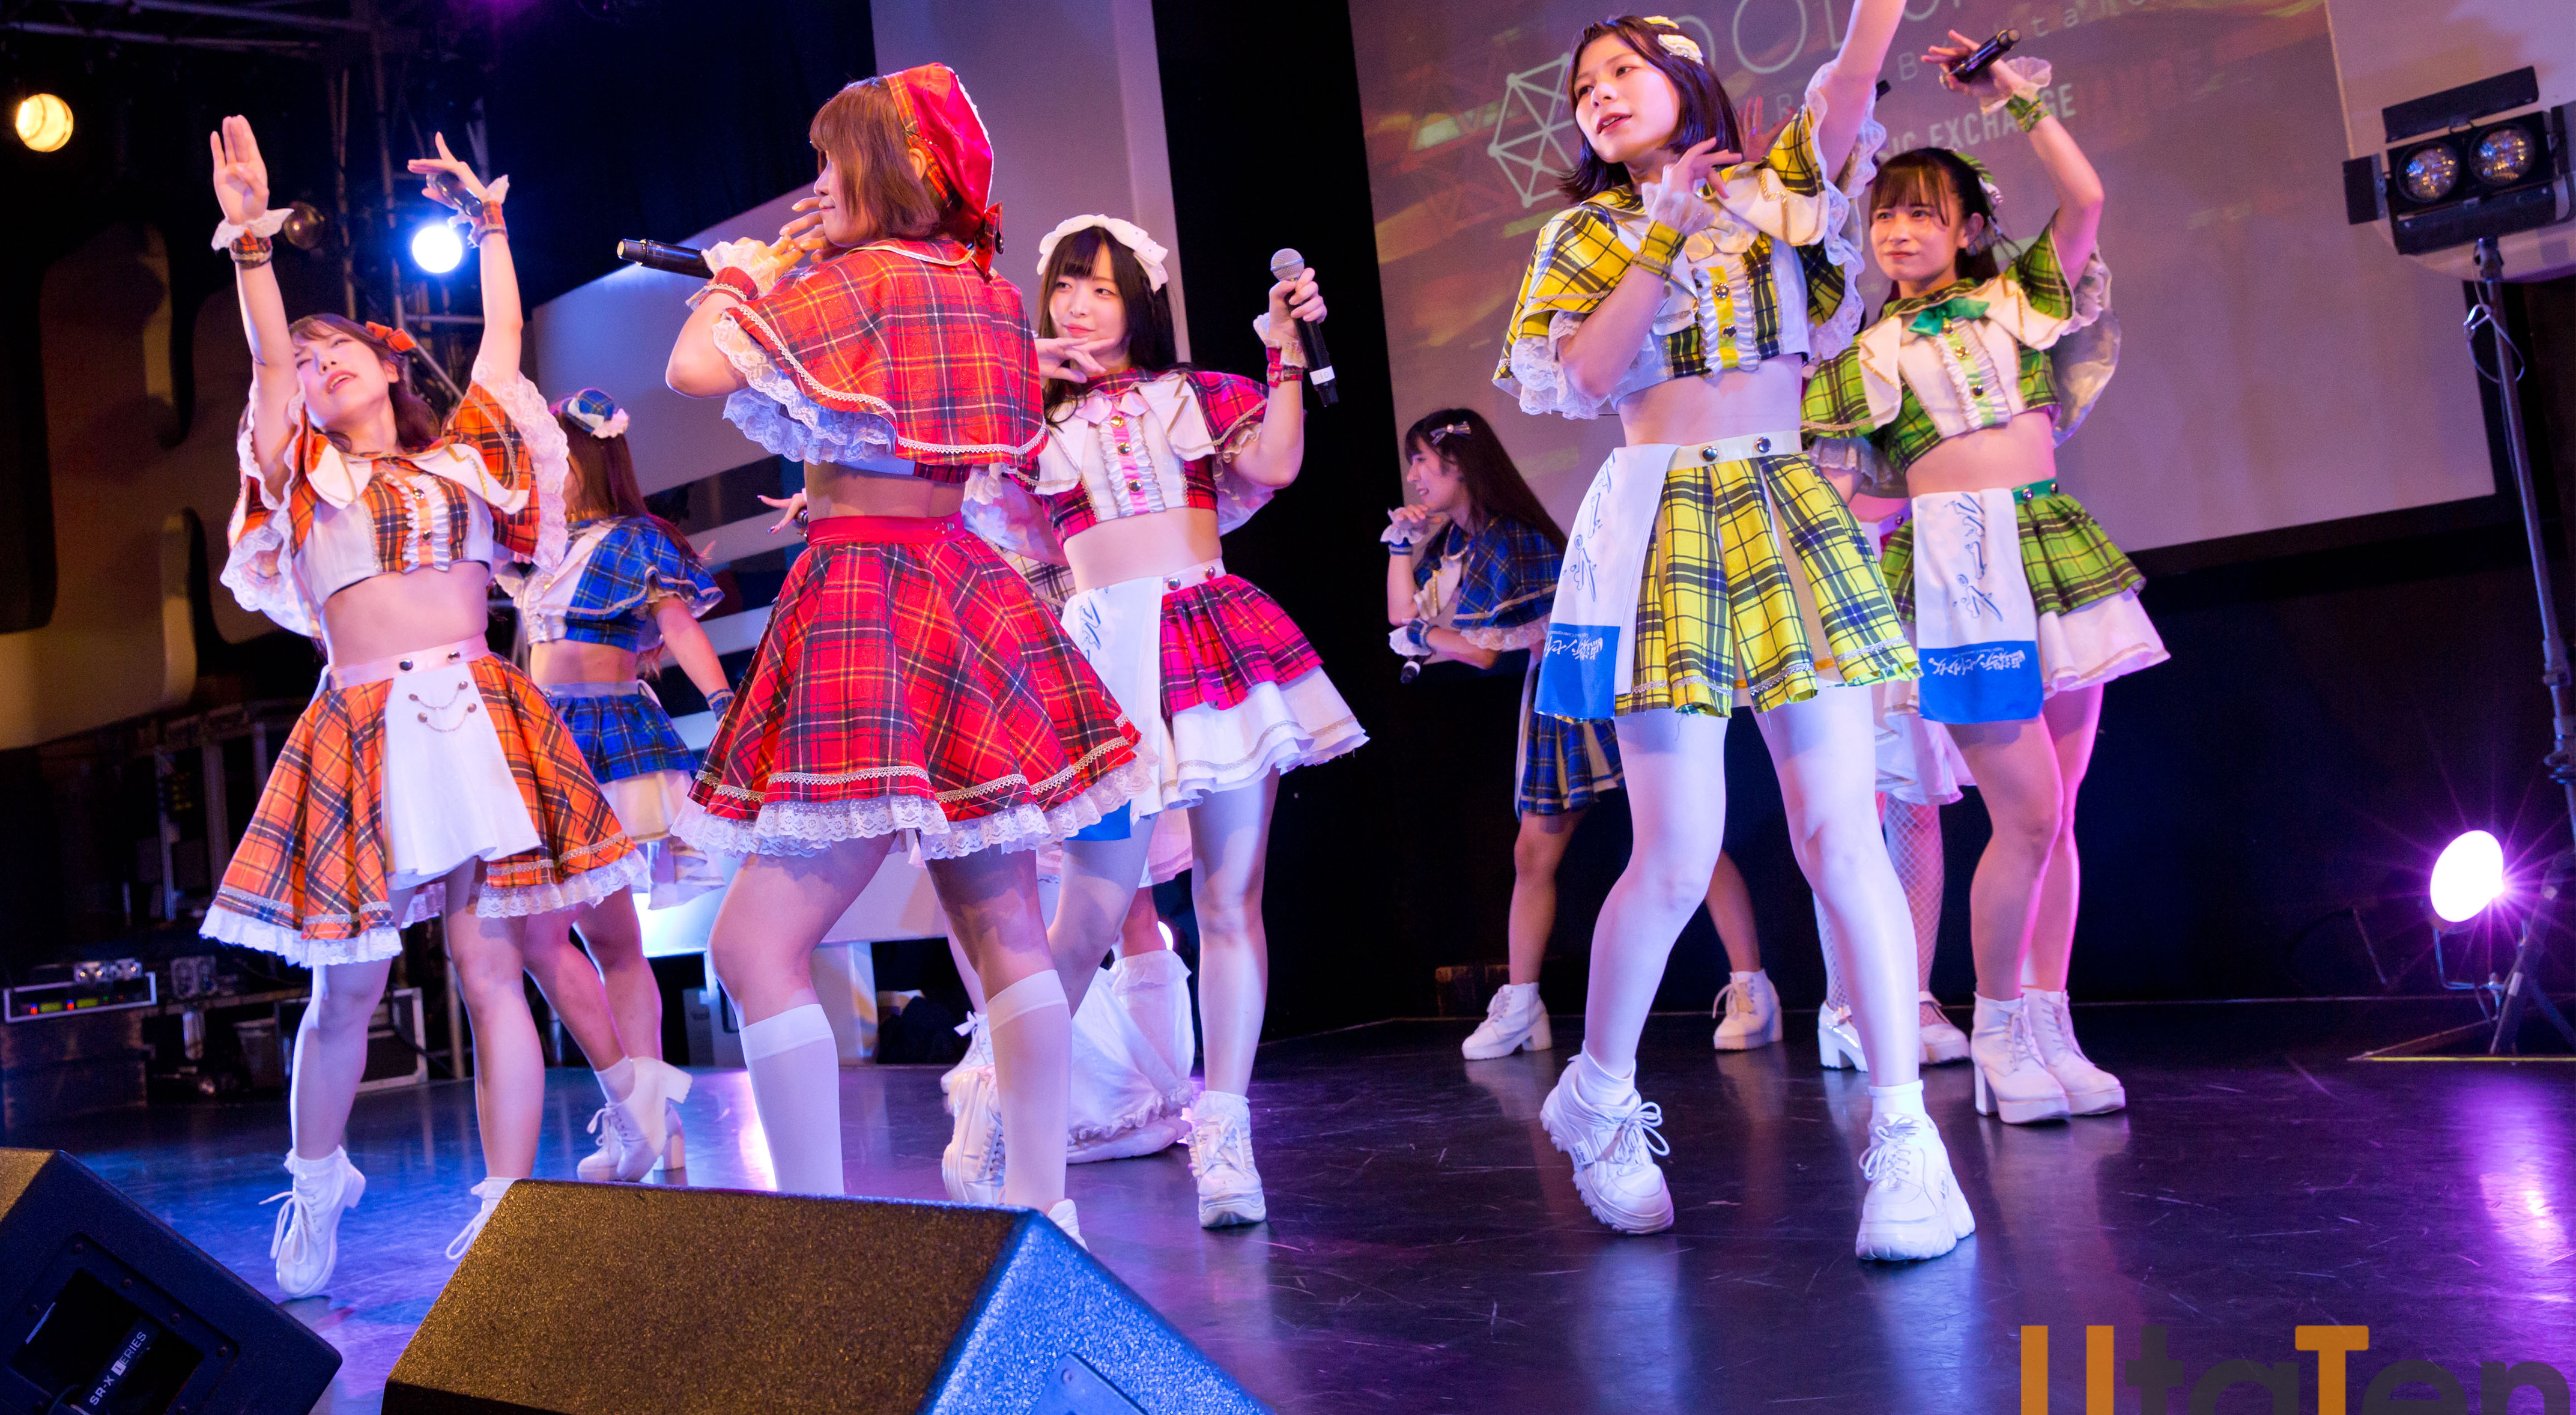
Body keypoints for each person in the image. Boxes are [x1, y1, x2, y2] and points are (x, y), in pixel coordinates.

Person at [1493, 0, 1979, 1261]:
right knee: (1676, 845)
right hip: (1659, 523)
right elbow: (1586, 379)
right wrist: (1654, 231)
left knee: (1844, 834)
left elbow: (1855, 69)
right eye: (1582, 87)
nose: (1598, 94)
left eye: (1622, 70)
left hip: (1782, 503)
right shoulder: (1584, 236)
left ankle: (1905, 1139)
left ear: (1685, 79)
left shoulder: (1782, 195)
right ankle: (1599, 1091)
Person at [663, 65, 1141, 1240]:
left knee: (752, 946)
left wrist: (738, 276)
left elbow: (693, 368)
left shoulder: (855, 281)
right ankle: (1046, 1208)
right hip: (964, 592)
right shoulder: (982, 290)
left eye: (831, 161)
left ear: (889, 166)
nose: (817, 184)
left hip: (863, 601)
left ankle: (816, 1236)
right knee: (1006, 930)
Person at [200, 118, 637, 1288]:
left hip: (476, 713)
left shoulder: (465, 461)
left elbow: (502, 337)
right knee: (347, 986)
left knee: (492, 965)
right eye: (307, 360)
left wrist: (490, 226)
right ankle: (316, 1179)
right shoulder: (302, 468)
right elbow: (265, 365)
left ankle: (507, 1205)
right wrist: (252, 242)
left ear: (391, 364)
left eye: (337, 347)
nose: (317, 363)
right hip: (362, 726)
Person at [957, 214, 1364, 1230]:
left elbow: (1275, 464)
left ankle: (1223, 1130)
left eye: (1099, 287)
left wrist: (1282, 350)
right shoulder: (1023, 419)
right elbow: (975, 485)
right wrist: (1016, 369)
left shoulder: (1194, 393)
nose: (1077, 305)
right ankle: (1001, 1094)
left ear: (1138, 300)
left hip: (1208, 631)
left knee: (1229, 898)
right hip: (1103, 656)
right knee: (1085, 916)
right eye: (1064, 287)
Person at [1804, 32, 2163, 1121]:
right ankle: (1999, 1027)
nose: (1898, 230)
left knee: (2057, 818)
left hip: (2047, 546)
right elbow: (1835, 493)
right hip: (1954, 569)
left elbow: (2085, 195)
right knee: (2025, 813)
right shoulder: (1864, 355)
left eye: (1922, 212)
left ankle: (2049, 1024)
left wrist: (2011, 91)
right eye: (1885, 215)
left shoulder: (2016, 301)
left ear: (1966, 228)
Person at [1386, 410, 1785, 1058]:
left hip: (1603, 683)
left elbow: (1474, 649)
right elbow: (1400, 617)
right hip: (1558, 697)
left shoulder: (1510, 538)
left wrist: (1427, 635)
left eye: (1421, 462)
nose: (1413, 477)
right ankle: (1523, 1005)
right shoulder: (1458, 544)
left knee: (1684, 836)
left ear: (1457, 465)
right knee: (1533, 855)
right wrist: (1401, 550)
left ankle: (1752, 989)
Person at [501, 386, 736, 1181]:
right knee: (582, 941)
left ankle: (644, 1118)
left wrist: (724, 704)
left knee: (581, 942)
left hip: (610, 739)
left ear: (586, 457)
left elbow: (679, 628)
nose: (540, 468)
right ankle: (648, 1117)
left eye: (551, 454)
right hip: (544, 741)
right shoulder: (537, 547)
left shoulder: (639, 540)